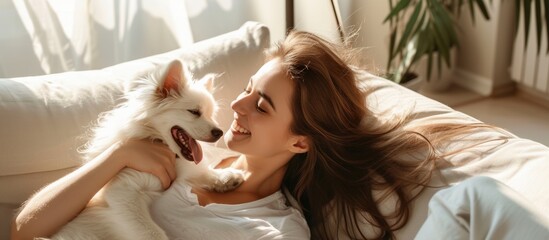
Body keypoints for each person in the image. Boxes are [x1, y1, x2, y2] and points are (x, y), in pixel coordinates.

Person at [11, 30, 549, 240]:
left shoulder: (276, 229)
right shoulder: (173, 161)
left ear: (301, 142)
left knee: (477, 196)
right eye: (247, 89)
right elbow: (26, 227)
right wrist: (116, 157)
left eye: (261, 104)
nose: (237, 106)